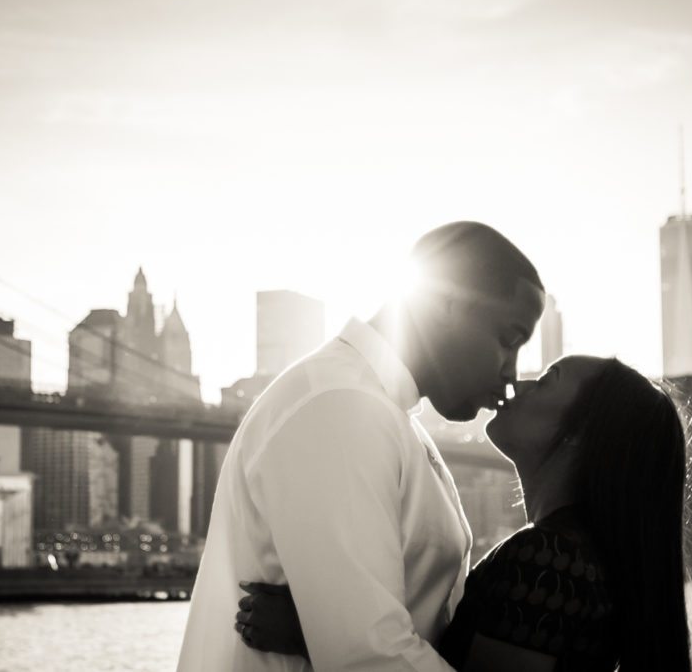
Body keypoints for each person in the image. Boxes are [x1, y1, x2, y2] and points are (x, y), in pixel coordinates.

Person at [177, 221, 547, 670]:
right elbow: (371, 659)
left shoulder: (380, 411)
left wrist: (314, 627)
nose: (510, 375)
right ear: (446, 304)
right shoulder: (340, 405)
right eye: (508, 340)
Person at [237, 355, 692, 671]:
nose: (521, 381)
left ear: (583, 434)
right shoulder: (578, 556)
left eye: (549, 378)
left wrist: (312, 633)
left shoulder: (548, 561)